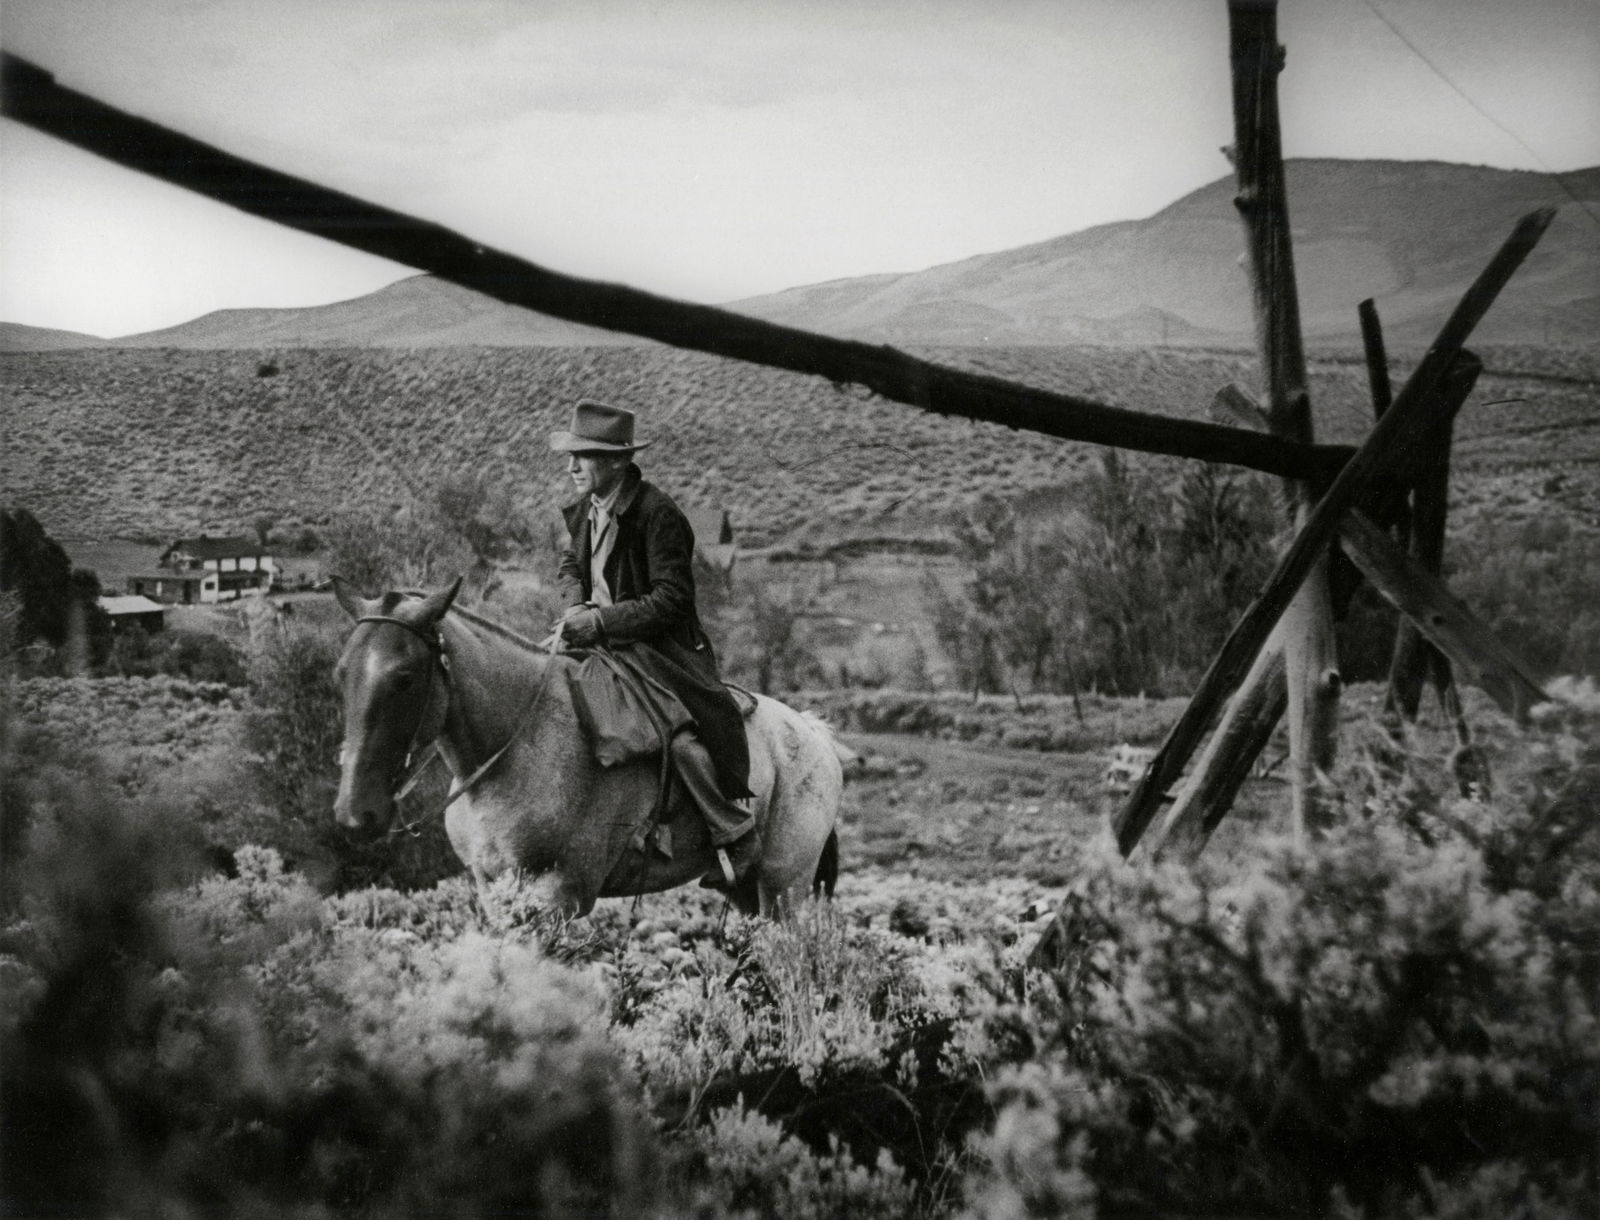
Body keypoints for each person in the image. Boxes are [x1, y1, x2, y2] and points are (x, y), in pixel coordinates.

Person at [551, 399, 759, 888]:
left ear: (619, 461)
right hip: (598, 639)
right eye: (571, 455)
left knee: (676, 736)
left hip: (659, 648)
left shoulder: (658, 514)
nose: (572, 466)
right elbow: (570, 566)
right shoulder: (585, 509)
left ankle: (733, 830)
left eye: (585, 456)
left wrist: (600, 623)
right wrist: (576, 606)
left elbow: (671, 599)